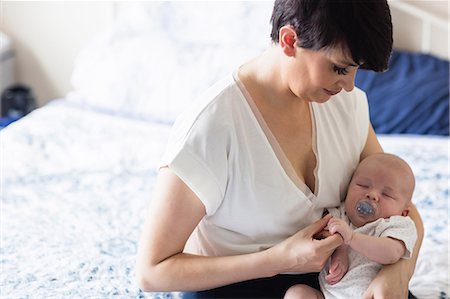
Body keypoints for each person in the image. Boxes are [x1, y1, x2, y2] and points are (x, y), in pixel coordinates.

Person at [136, 0, 424, 298]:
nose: (350, 85)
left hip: (337, 281)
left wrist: (395, 275)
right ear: (289, 41)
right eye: (339, 68)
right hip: (235, 286)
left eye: (355, 70)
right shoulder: (211, 127)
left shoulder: (345, 105)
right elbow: (152, 271)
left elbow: (403, 209)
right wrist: (278, 261)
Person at [284, 153, 418, 299]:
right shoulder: (338, 215)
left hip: (371, 295)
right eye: (363, 185)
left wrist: (352, 238)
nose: (372, 195)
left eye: (387, 194)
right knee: (297, 293)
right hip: (328, 295)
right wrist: (339, 250)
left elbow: (391, 254)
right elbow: (325, 237)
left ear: (403, 212)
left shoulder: (396, 225)